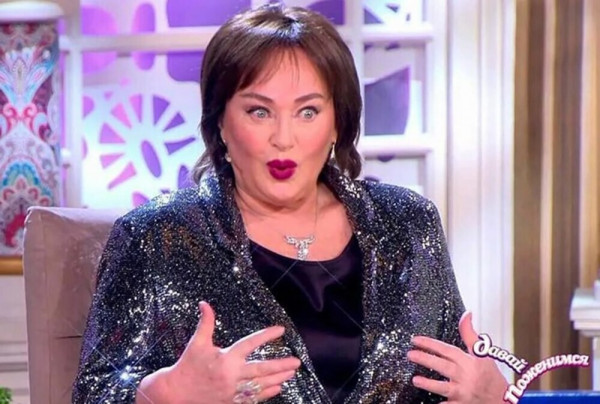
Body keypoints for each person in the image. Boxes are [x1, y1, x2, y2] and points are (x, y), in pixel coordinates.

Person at [72, 3, 508, 403]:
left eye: (308, 112)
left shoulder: (407, 223)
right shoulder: (157, 237)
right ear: (220, 122)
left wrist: (496, 396)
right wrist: (162, 396)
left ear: (336, 123)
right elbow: (94, 393)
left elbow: (456, 376)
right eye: (259, 112)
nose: (284, 138)